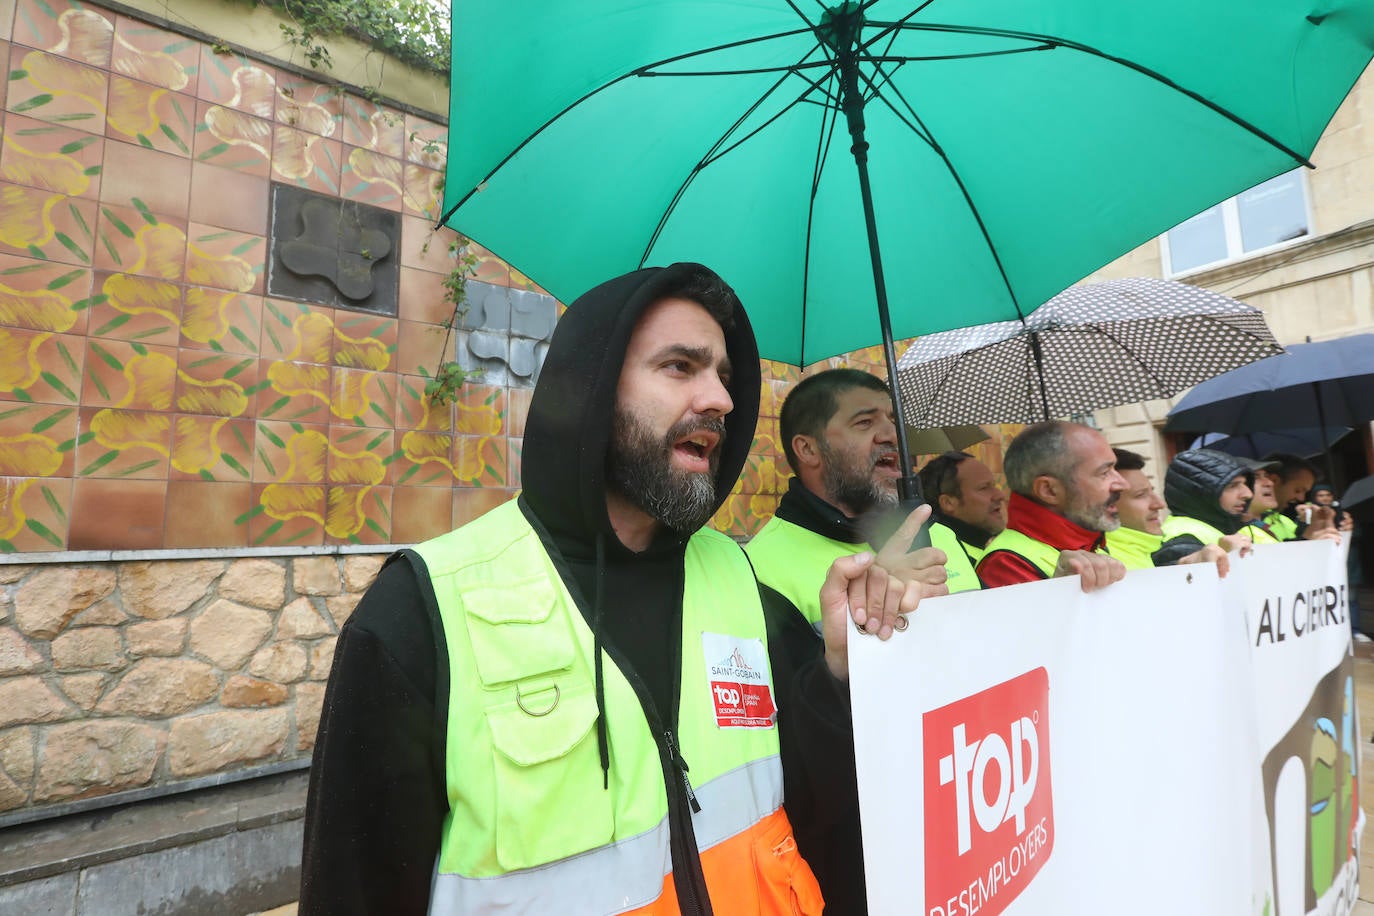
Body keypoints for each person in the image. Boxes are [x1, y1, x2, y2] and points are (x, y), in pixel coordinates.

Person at [299, 263, 930, 915]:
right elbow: (355, 888)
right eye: (681, 367)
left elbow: (818, 805)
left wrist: (839, 670)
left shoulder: (742, 582)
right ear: (591, 390)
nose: (721, 400)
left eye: (724, 376)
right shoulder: (422, 610)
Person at [745, 367, 948, 915]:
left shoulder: (940, 536)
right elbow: (794, 759)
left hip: (974, 811)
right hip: (867, 866)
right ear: (807, 449)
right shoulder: (759, 570)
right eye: (866, 421)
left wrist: (1074, 584)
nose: (891, 434)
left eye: (892, 419)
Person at [975, 421, 1127, 590]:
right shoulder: (1005, 564)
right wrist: (1062, 591)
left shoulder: (1092, 541)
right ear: (1049, 490)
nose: (1123, 484)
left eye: (1115, 469)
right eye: (1104, 473)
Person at [1106, 447, 1232, 575]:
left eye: (1152, 491)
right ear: (1105, 503)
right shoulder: (1104, 564)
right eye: (1140, 495)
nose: (1159, 504)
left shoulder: (1139, 550)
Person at [917, 449, 1007, 592]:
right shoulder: (944, 558)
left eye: (994, 486)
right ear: (948, 503)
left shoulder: (979, 548)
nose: (1000, 495)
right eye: (984, 488)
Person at [1153, 448, 1255, 566]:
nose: (1248, 494)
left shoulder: (1216, 524)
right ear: (1200, 493)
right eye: (1233, 486)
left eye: (1245, 484)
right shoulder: (1180, 538)